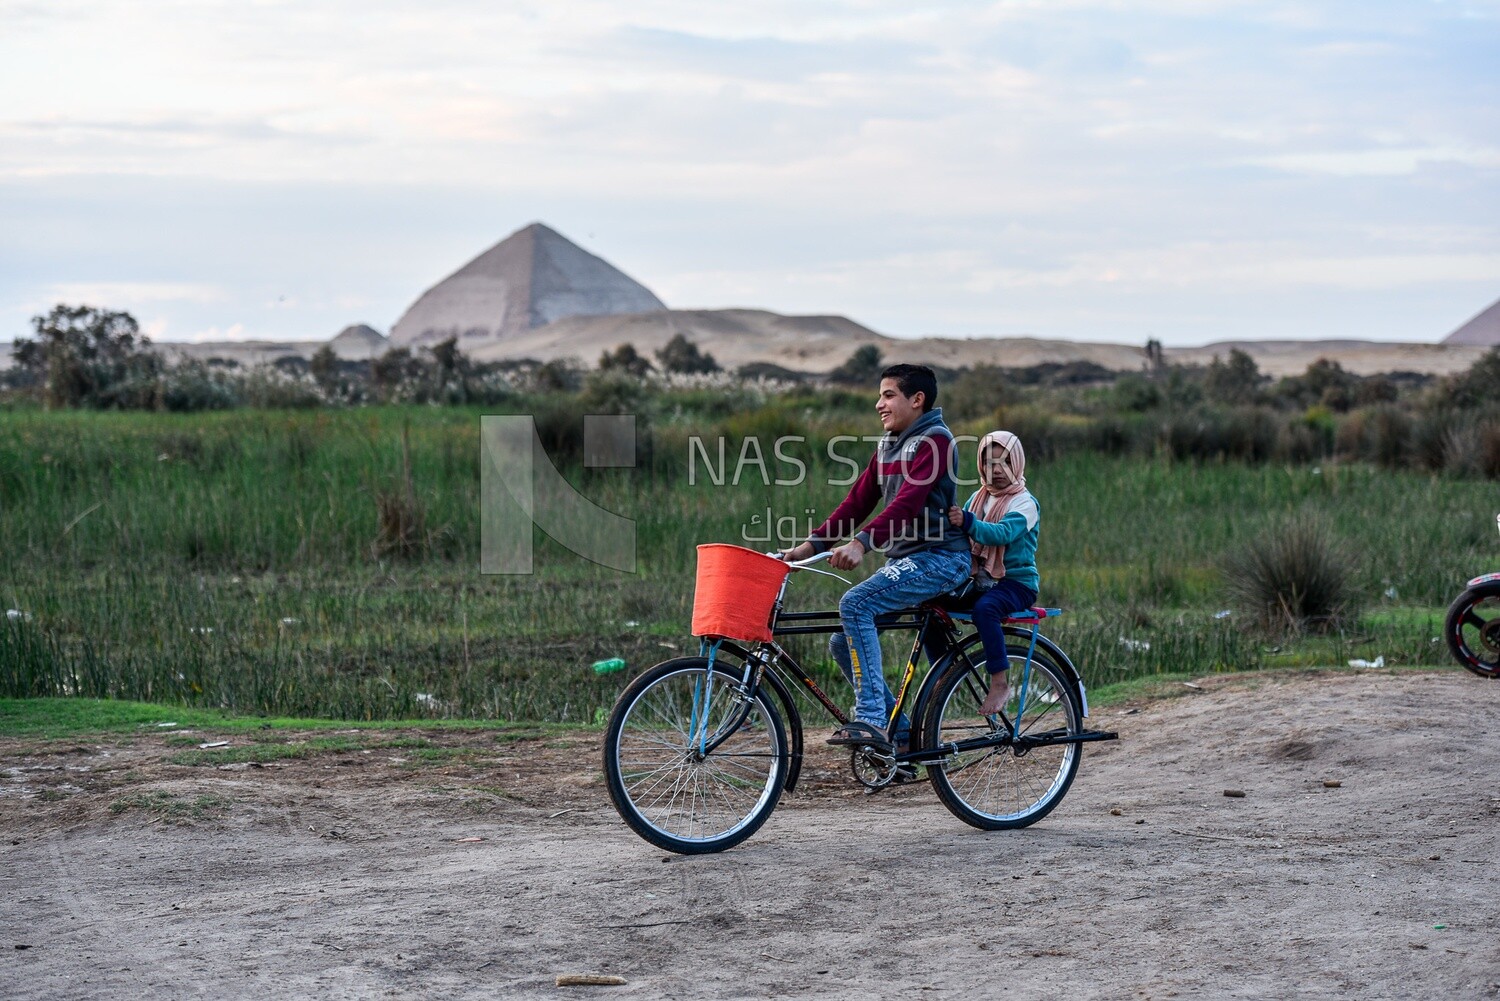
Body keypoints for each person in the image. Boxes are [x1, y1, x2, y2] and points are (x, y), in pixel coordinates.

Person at [781, 364, 972, 748]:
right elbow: (857, 502)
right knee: (840, 642)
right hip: (907, 562)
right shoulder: (889, 443)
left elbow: (905, 504)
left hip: (940, 560)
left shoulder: (935, 441)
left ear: (917, 400)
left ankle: (870, 719)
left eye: (888, 395)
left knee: (855, 603)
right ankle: (901, 737)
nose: (878, 404)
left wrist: (861, 544)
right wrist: (810, 546)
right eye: (880, 395)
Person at [946, 430, 1040, 715]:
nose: (996, 471)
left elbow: (1000, 534)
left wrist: (967, 522)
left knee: (986, 610)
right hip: (982, 580)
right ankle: (947, 670)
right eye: (988, 463)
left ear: (1017, 463)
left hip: (1015, 583)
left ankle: (999, 681)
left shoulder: (1024, 503)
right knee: (928, 604)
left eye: (1004, 463)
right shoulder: (978, 498)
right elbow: (960, 532)